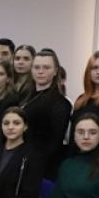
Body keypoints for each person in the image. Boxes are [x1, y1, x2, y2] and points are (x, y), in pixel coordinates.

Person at [18, 49, 71, 178]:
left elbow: (55, 143)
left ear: (55, 71)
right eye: (36, 67)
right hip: (20, 159)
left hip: (41, 167)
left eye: (46, 67)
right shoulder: (25, 96)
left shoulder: (60, 102)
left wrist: (34, 164)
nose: (40, 71)